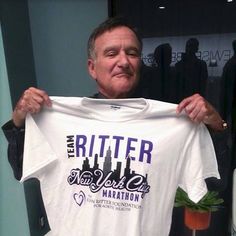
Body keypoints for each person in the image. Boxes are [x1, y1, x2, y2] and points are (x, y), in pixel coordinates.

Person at [2, 17, 226, 236]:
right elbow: (21, 167)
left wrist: (217, 125)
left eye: (132, 53)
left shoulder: (173, 120)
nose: (124, 61)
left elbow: (213, 183)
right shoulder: (57, 119)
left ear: (140, 62)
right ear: (92, 67)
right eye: (111, 53)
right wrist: (20, 121)